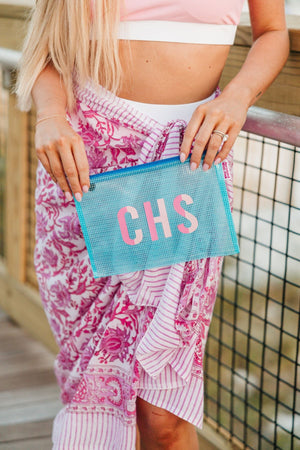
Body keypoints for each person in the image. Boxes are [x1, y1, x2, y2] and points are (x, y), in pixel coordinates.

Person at [16, 1, 289, 449]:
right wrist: (49, 116)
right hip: (86, 168)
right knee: (96, 380)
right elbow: (48, 47)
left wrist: (238, 98)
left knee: (163, 415)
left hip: (187, 165)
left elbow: (273, 31)